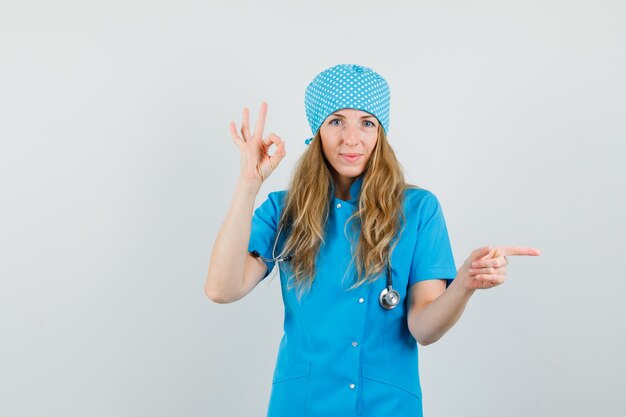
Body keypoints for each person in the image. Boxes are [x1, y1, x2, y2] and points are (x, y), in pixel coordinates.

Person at [205, 64, 541, 417]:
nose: (352, 138)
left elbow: (423, 329)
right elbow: (221, 289)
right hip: (302, 404)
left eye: (367, 122)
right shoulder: (283, 210)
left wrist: (464, 284)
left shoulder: (418, 210)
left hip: (388, 406)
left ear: (381, 132)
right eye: (336, 121)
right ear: (317, 129)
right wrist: (248, 183)